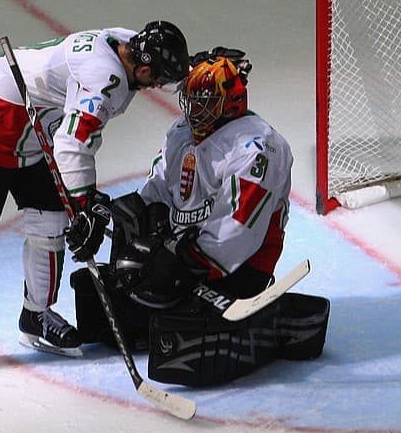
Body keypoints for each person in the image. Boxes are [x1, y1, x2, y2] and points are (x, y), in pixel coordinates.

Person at [0, 21, 190, 378]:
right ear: (143, 68)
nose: (155, 86)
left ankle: (36, 315)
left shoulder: (125, 41)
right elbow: (73, 144)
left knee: (51, 222)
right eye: (157, 78)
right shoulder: (104, 78)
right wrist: (84, 202)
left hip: (31, 130)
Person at [69, 48, 329, 387]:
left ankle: (243, 319)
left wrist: (181, 261)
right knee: (114, 279)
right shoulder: (182, 130)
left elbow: (238, 231)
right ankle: (161, 309)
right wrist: (129, 219)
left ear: (231, 102)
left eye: (206, 102)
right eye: (191, 100)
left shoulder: (258, 147)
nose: (195, 110)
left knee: (171, 314)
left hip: (237, 266)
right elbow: (158, 189)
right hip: (182, 249)